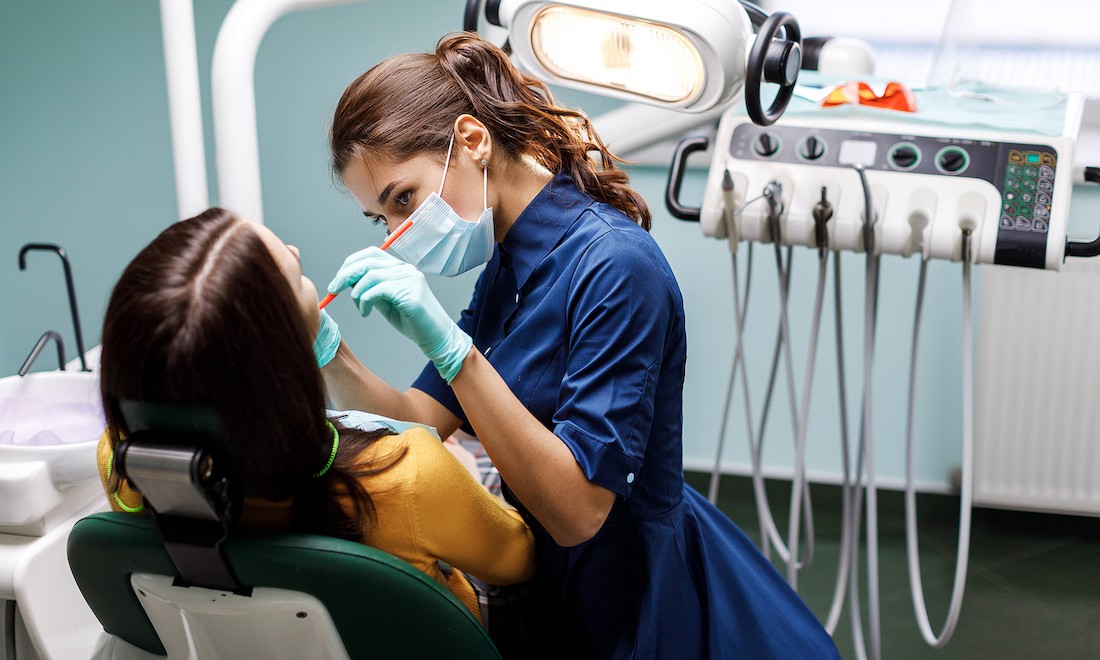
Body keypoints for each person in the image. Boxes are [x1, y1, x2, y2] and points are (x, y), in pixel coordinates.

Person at [314, 32, 840, 659]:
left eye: (404, 199)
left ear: (474, 142)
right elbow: (422, 421)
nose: (399, 236)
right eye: (383, 219)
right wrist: (325, 348)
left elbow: (578, 512)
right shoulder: (506, 264)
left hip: (631, 592)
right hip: (546, 583)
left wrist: (457, 352)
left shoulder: (616, 267)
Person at [95, 208, 535, 627]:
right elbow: (518, 558)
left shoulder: (124, 466)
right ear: (284, 364)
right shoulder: (410, 476)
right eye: (295, 273)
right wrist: (455, 471)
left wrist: (323, 343)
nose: (297, 251)